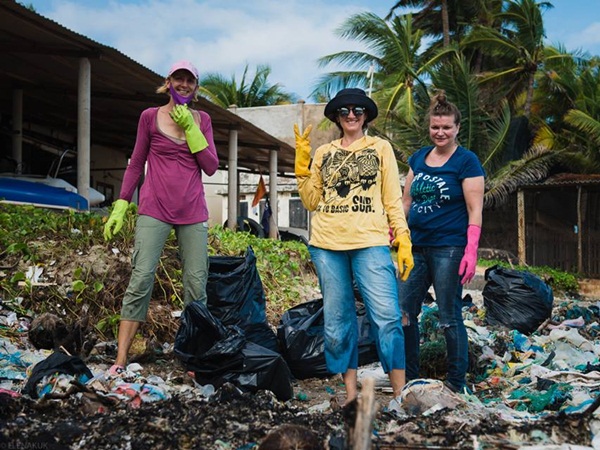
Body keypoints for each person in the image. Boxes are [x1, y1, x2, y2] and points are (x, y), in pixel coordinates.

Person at [294, 88, 414, 404]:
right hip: (327, 244)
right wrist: (302, 167)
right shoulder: (324, 153)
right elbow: (311, 200)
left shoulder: (380, 148)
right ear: (336, 115)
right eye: (344, 110)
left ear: (366, 116)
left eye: (357, 110)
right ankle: (350, 394)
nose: (351, 115)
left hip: (370, 242)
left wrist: (402, 237)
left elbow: (391, 197)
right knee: (337, 322)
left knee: (387, 317)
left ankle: (400, 394)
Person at [103, 60, 219, 375]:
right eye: (178, 79)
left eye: (189, 81)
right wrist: (122, 203)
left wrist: (192, 130)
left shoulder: (203, 119)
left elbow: (210, 166)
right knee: (141, 279)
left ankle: (194, 361)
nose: (183, 85)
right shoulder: (150, 117)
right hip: (154, 207)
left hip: (192, 211)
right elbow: (136, 160)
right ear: (168, 82)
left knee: (196, 284)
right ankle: (120, 359)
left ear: (195, 87)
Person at [398, 90, 485, 393]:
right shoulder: (418, 158)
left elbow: (475, 210)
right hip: (416, 247)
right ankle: (409, 378)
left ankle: (455, 383)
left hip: (449, 247)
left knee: (449, 315)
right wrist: (397, 238)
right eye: (435, 127)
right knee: (405, 311)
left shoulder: (466, 161)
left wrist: (471, 250)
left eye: (447, 127)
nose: (440, 132)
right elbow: (406, 203)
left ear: (457, 128)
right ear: (429, 127)